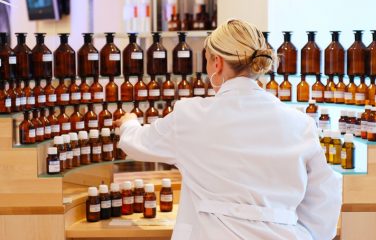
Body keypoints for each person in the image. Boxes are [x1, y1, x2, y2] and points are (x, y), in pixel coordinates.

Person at [114, 19, 342, 240]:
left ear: (217, 63)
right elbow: (325, 199)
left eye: (206, 60)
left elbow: (138, 143)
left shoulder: (191, 116)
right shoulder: (300, 123)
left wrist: (129, 123)